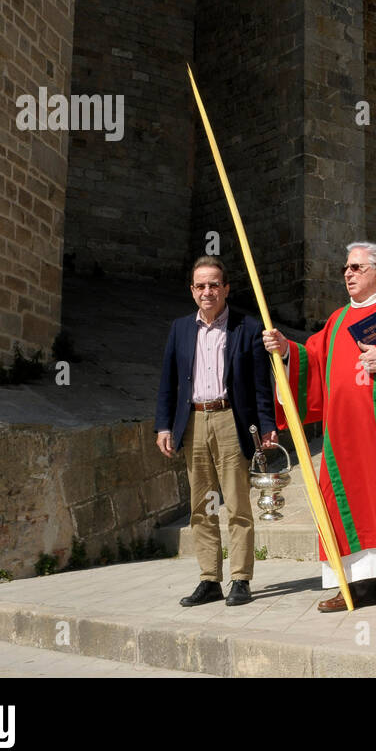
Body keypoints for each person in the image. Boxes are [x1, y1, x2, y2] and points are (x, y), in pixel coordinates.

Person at [262, 242, 376, 612]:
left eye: (356, 267)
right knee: (346, 504)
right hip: (342, 437)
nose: (347, 274)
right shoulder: (337, 320)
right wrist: (286, 350)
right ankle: (357, 586)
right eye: (345, 269)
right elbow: (313, 361)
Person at [156, 255, 277, 608]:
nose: (207, 291)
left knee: (237, 503)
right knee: (201, 506)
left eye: (213, 285)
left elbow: (260, 386)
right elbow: (168, 381)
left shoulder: (247, 327)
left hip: (229, 420)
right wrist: (164, 425)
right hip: (193, 422)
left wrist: (267, 427)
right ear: (192, 291)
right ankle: (209, 579)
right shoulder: (180, 328)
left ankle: (241, 578)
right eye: (200, 286)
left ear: (225, 288)